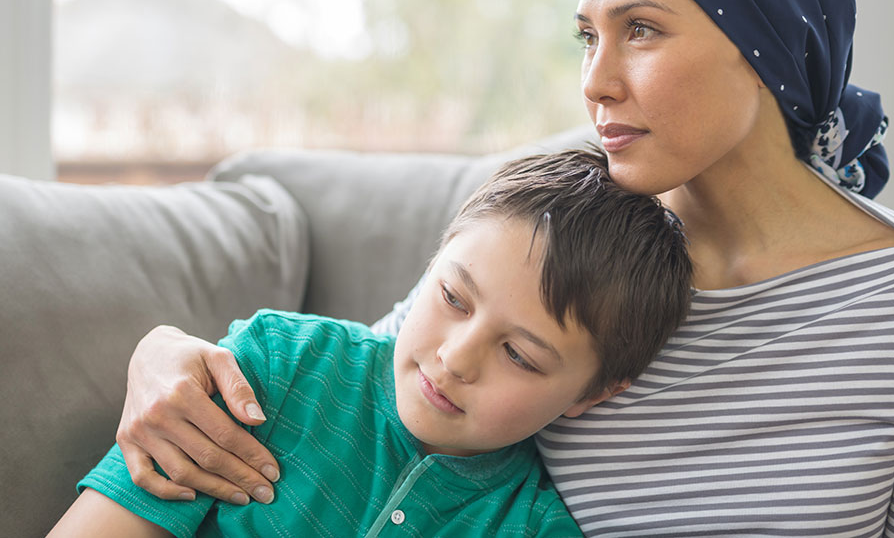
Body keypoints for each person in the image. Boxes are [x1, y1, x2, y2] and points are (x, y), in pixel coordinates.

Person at [111, 0, 894, 537]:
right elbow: (387, 377)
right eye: (588, 35)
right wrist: (168, 356)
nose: (596, 81)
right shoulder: (583, 218)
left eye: (643, 30)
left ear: (766, 48)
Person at [50, 149, 692, 536]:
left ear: (593, 394)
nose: (455, 358)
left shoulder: (529, 526)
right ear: (434, 259)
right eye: (452, 299)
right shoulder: (276, 366)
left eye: (519, 356)